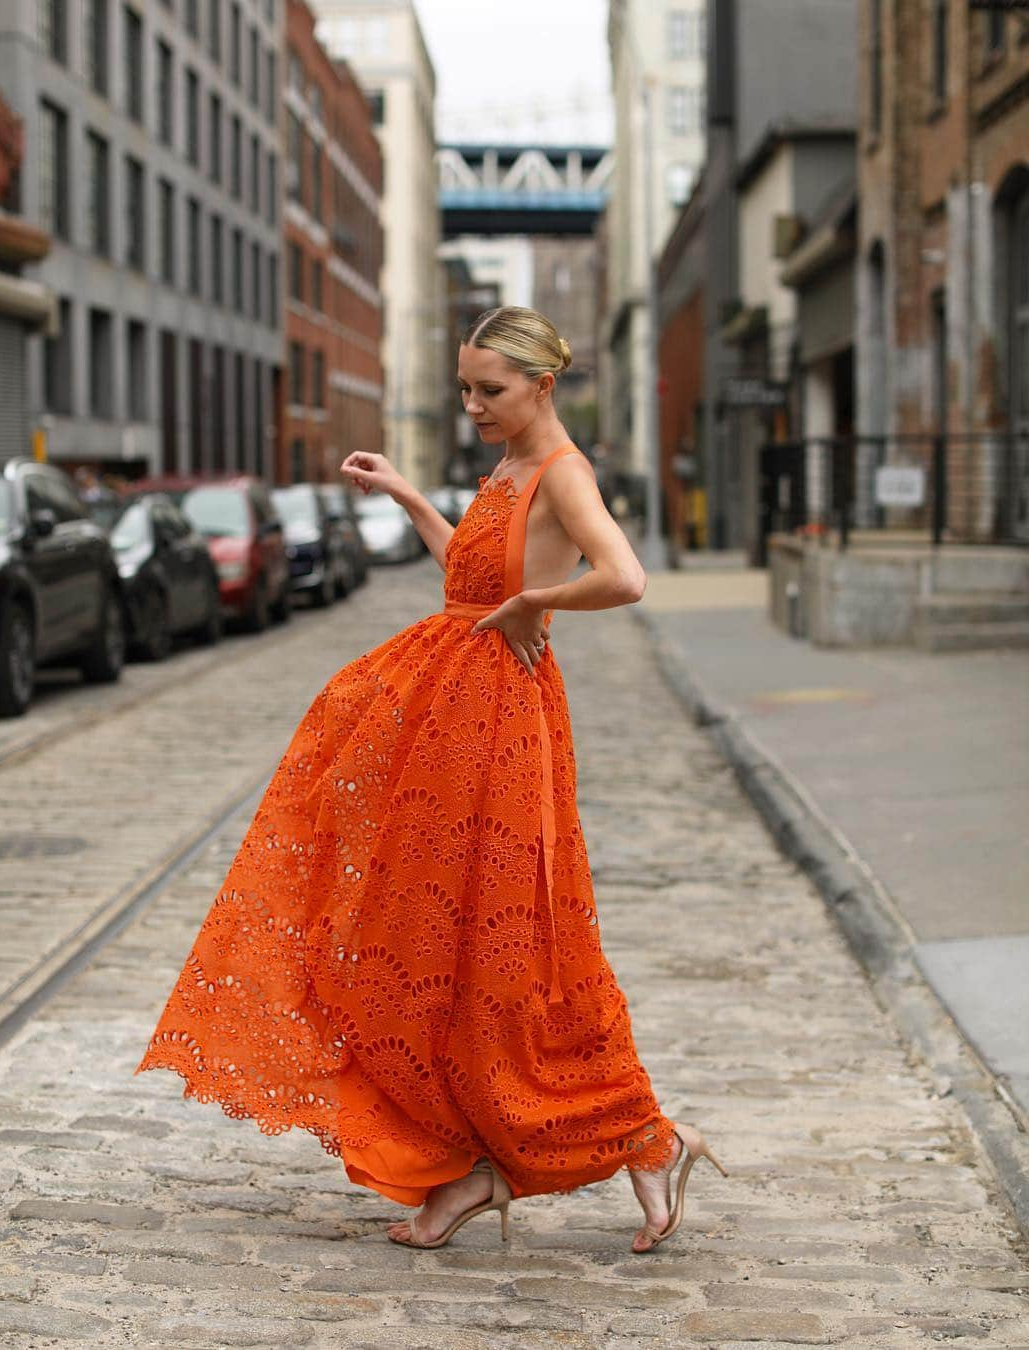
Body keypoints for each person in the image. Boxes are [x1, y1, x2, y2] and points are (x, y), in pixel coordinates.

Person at [134, 305, 728, 1253]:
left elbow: (622, 576)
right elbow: (473, 574)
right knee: (426, 942)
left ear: (542, 385)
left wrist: (539, 599)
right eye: (466, 389)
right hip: (451, 716)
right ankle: (460, 1167)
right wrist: (412, 500)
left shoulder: (564, 472)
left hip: (503, 725)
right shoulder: (506, 469)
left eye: (490, 390)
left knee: (510, 956)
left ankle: (643, 1140)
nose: (473, 405)